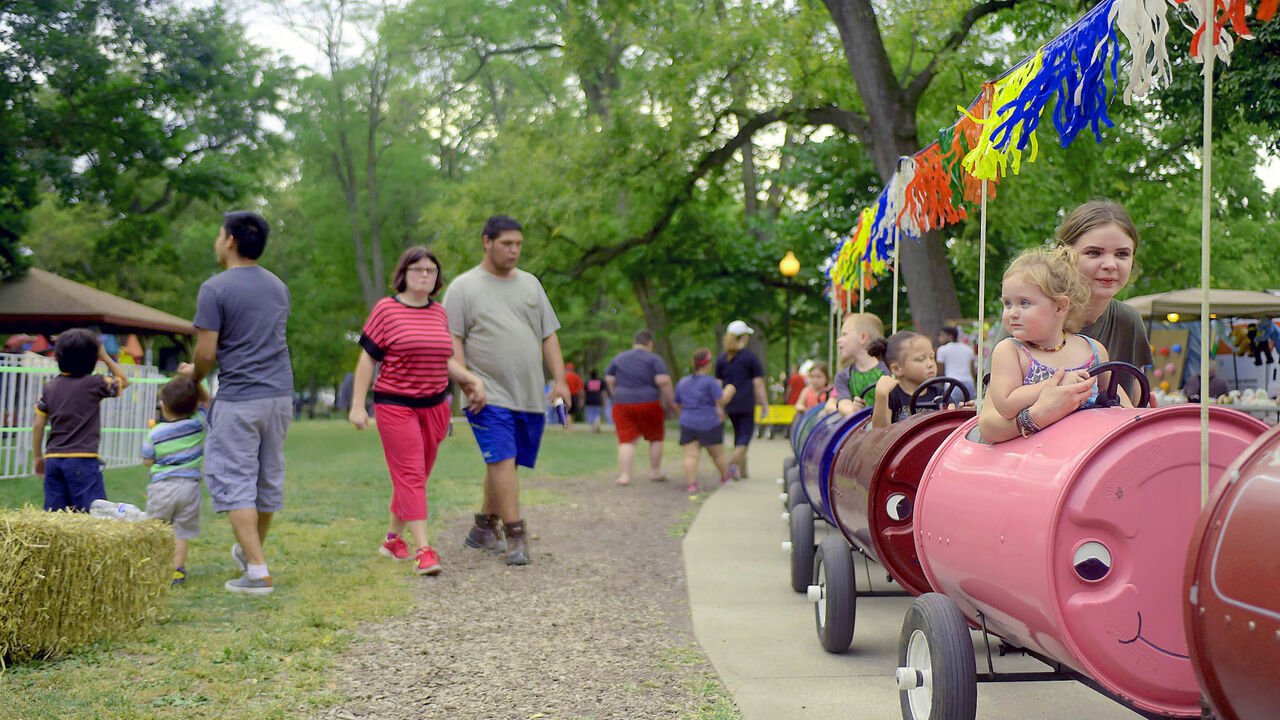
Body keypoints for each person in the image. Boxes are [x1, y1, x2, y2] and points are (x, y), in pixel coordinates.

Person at [349, 247, 487, 576]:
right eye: (417, 269)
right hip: (396, 405)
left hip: (436, 405)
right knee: (411, 477)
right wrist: (358, 405)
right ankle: (424, 551)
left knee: (416, 477)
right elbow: (368, 358)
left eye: (431, 270)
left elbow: (445, 358)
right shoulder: (386, 309)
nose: (425, 275)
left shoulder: (438, 313)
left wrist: (470, 379)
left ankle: (393, 540)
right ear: (403, 274)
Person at [443, 214, 569, 566]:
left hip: (528, 393)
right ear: (486, 241)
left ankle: (483, 528)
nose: (514, 251)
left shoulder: (531, 285)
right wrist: (468, 381)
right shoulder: (463, 288)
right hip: (486, 393)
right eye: (506, 244)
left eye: (518, 245)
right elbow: (452, 342)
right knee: (501, 458)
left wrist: (559, 380)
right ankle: (516, 535)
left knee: (506, 462)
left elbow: (548, 335)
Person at [179, 210, 293, 596]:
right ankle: (252, 557)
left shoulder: (215, 288)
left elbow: (207, 353)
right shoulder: (278, 286)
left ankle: (258, 572)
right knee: (267, 479)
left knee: (235, 482)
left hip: (240, 398)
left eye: (217, 234)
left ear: (229, 240)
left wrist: (193, 376)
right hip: (279, 397)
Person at [980, 200, 1154, 442]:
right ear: (1066, 254)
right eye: (1094, 252)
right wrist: (1040, 414)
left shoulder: (1128, 321)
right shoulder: (1024, 324)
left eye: (1122, 254)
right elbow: (990, 422)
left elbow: (1128, 406)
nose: (1110, 265)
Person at [984, 248, 1129, 439]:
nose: (1012, 312)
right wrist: (1053, 386)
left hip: (1087, 450)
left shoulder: (1094, 350)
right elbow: (1005, 404)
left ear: (1060, 306)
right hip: (1036, 454)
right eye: (1007, 303)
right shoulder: (1011, 351)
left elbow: (1122, 405)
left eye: (1024, 303)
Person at [32, 329, 130, 512]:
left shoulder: (50, 388)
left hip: (53, 460)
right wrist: (105, 356)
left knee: (55, 517)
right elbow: (124, 381)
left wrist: (38, 457)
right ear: (93, 359)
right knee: (93, 513)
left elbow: (38, 425)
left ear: (57, 358)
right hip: (82, 459)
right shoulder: (95, 383)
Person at [142, 376, 209, 586]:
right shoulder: (198, 425)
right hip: (190, 488)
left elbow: (147, 460)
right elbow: (206, 403)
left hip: (162, 487)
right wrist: (196, 378)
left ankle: (154, 566)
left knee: (157, 527)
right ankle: (176, 570)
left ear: (162, 406)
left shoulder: (155, 433)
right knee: (181, 532)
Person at [605, 329, 676, 485]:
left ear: (635, 342)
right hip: (649, 402)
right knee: (656, 437)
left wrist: (615, 394)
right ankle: (655, 471)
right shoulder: (654, 359)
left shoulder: (619, 358)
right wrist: (671, 401)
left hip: (622, 404)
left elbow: (609, 378)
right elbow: (663, 380)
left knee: (626, 440)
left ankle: (625, 476)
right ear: (650, 343)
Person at [674, 348, 736, 493]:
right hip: (709, 422)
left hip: (688, 422)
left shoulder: (683, 382)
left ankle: (691, 484)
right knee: (718, 455)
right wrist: (730, 389)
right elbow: (721, 400)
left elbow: (677, 403)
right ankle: (726, 476)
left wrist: (684, 414)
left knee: (690, 456)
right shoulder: (710, 382)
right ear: (707, 364)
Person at [715, 320, 769, 479]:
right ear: (744, 337)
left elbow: (718, 384)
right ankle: (732, 464)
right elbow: (758, 383)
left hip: (729, 402)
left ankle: (742, 471)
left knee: (738, 436)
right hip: (746, 402)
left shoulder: (722, 359)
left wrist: (718, 405)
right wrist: (764, 404)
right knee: (745, 437)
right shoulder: (750, 358)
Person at [870, 331, 946, 428]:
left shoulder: (940, 394)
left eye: (931, 357)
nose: (930, 364)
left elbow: (950, 426)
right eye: (921, 359)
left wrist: (963, 411)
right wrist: (882, 395)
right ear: (897, 369)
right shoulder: (892, 396)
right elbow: (880, 433)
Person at [826, 313, 887, 417]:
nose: (838, 340)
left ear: (863, 337)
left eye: (844, 334)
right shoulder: (843, 376)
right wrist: (852, 409)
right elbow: (843, 403)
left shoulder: (888, 371)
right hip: (859, 428)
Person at [935, 326, 976, 399]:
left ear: (950, 336)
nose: (939, 338)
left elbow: (940, 372)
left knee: (953, 408)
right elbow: (973, 371)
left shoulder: (942, 350)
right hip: (969, 384)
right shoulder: (968, 349)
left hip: (952, 384)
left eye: (942, 335)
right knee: (969, 408)